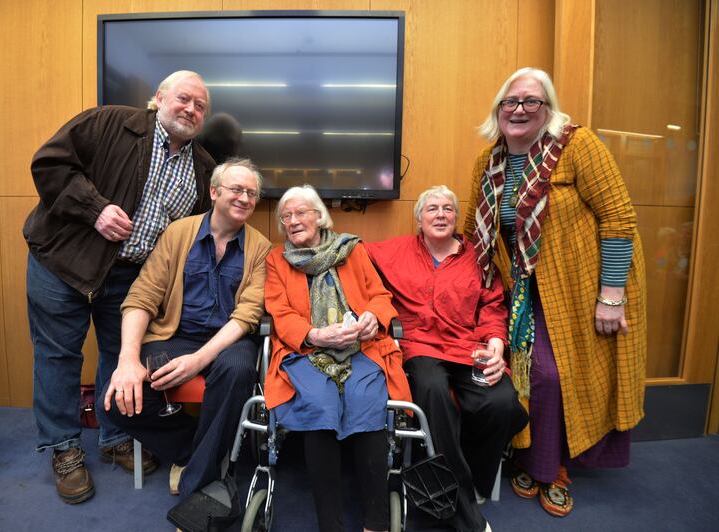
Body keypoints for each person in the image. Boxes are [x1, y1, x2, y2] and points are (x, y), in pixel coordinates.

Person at [24, 70, 215, 504]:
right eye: (183, 98)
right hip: (63, 264)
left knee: (120, 356)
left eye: (200, 105)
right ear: (158, 98)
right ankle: (64, 448)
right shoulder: (109, 122)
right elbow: (48, 163)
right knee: (57, 355)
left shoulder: (203, 168)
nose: (190, 109)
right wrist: (94, 209)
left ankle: (115, 436)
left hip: (130, 279)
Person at [463, 67, 646, 517]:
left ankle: (552, 467)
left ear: (548, 109)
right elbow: (472, 228)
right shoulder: (487, 162)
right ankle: (530, 457)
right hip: (519, 290)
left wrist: (612, 295)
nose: (519, 110)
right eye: (510, 102)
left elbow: (619, 219)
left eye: (531, 101)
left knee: (557, 376)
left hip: (582, 287)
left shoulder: (578, 146)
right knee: (524, 375)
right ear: (498, 111)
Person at [102, 158, 271, 523]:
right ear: (214, 192)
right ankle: (197, 451)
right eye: (236, 189)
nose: (244, 198)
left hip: (228, 339)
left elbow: (246, 316)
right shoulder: (178, 234)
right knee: (116, 403)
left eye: (252, 193)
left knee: (240, 369)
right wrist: (128, 360)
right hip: (174, 335)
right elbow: (141, 297)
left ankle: (200, 490)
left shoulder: (261, 249)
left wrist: (198, 361)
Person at [366, 185, 527, 532]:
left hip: (469, 348)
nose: (440, 214)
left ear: (456, 218)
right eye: (432, 209)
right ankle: (464, 511)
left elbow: (493, 307)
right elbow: (350, 251)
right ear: (419, 220)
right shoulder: (395, 250)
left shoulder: (479, 257)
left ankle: (463, 480)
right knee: (432, 389)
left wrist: (497, 343)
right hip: (419, 347)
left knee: (503, 403)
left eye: (448, 209)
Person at [264, 185, 411, 532]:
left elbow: (379, 295)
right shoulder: (276, 259)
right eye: (286, 216)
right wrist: (314, 334)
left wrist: (373, 316)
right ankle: (330, 524)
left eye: (301, 213)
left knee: (367, 401)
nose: (293, 221)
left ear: (319, 216)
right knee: (320, 403)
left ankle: (376, 522)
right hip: (305, 351)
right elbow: (279, 312)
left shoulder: (352, 250)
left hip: (361, 347)